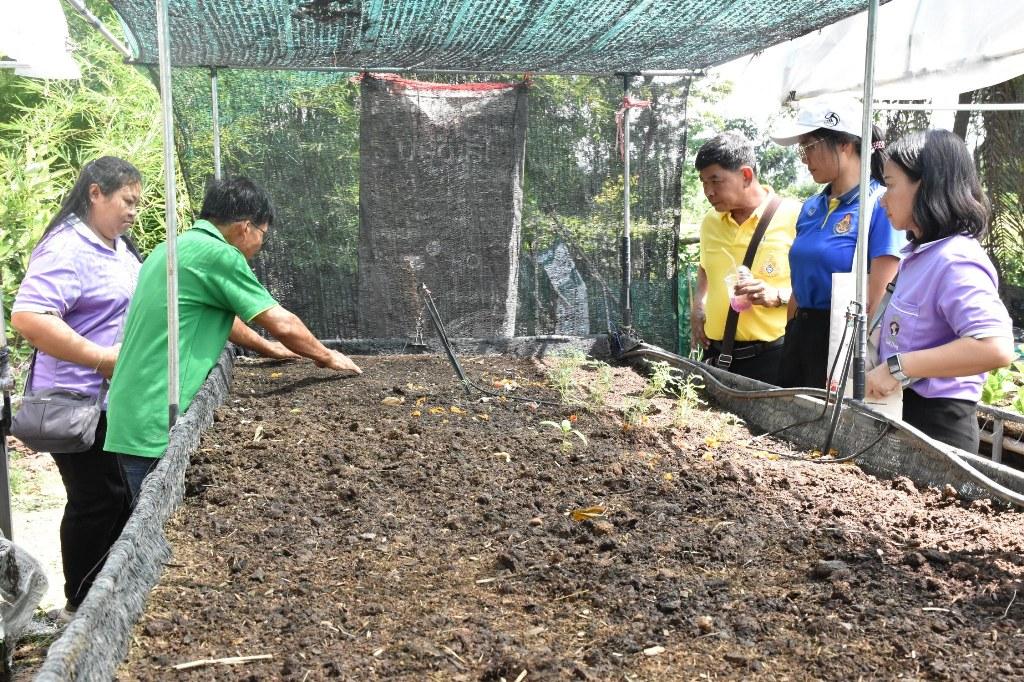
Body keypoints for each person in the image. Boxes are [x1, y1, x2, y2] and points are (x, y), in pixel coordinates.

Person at [104, 177, 362, 499]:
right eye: (263, 236)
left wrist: (267, 348)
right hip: (158, 419)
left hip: (132, 411)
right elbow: (282, 322)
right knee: (157, 531)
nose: (259, 245)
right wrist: (326, 356)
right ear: (245, 227)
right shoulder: (218, 255)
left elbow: (221, 319)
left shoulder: (171, 248)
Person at [10, 156, 142, 622]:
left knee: (120, 498)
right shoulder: (68, 247)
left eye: (138, 204)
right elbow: (29, 317)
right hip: (76, 401)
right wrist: (101, 358)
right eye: (126, 201)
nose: (133, 212)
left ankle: (107, 597)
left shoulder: (117, 247)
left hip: (110, 401)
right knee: (98, 498)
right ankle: (80, 609)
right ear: (95, 194)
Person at [867, 129, 1014, 453]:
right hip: (906, 414)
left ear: (926, 185)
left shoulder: (955, 258)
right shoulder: (922, 254)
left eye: (890, 185)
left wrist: (898, 367)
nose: (882, 198)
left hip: (937, 429)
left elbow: (995, 347)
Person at [770, 96, 904, 388]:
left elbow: (878, 296)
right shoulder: (810, 207)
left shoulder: (880, 205)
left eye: (809, 146)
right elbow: (798, 285)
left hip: (842, 339)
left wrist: (847, 357)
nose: (803, 158)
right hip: (798, 337)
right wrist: (792, 329)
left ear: (845, 143)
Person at [691, 132, 801, 384]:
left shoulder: (795, 216)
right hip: (716, 357)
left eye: (715, 181)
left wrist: (778, 296)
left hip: (771, 359)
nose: (708, 191)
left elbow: (814, 286)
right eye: (703, 182)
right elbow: (706, 268)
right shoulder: (711, 221)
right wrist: (699, 304)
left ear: (746, 176)